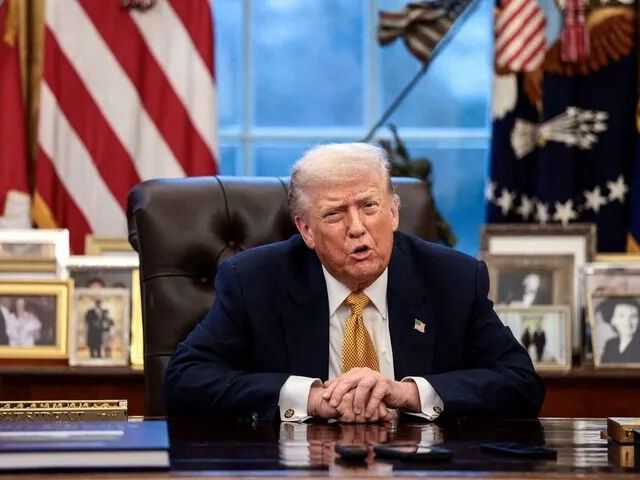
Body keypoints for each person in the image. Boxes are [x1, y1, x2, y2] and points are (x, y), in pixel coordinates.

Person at [165, 143, 544, 422]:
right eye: (334, 214)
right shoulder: (254, 281)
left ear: (393, 212)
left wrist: (407, 393)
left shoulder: (453, 278)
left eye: (369, 206)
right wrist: (311, 398)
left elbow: (520, 383)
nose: (357, 228)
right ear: (306, 230)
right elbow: (185, 381)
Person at [599, 298, 640, 364]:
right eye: (621, 316)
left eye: (633, 316)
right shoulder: (610, 345)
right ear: (612, 320)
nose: (627, 322)